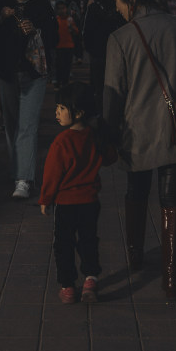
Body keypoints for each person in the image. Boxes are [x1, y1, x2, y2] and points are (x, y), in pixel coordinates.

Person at [103, 0, 176, 298]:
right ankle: (171, 277)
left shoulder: (120, 38)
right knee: (172, 199)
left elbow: (113, 94)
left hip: (137, 132)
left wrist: (109, 132)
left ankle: (135, 257)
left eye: (117, 1)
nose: (116, 8)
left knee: (136, 192)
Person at [39, 82, 117, 303]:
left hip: (66, 204)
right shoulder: (95, 136)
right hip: (90, 202)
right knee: (88, 240)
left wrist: (45, 199)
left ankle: (67, 286)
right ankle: (90, 279)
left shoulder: (61, 142)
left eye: (62, 108)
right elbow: (110, 157)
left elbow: (52, 174)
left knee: (63, 244)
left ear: (79, 112)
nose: (57, 112)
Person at [0, 0, 58, 200]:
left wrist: (36, 30)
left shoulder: (41, 5)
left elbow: (53, 36)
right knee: (11, 124)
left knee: (28, 126)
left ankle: (24, 179)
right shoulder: (1, 5)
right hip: (7, 72)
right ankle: (17, 169)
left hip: (34, 73)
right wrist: (1, 18)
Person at [54, 0, 78, 87]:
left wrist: (71, 27)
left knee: (67, 67)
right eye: (59, 9)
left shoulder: (70, 19)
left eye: (63, 8)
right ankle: (58, 83)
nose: (61, 10)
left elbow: (76, 32)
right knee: (59, 67)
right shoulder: (56, 20)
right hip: (59, 46)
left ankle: (65, 84)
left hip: (69, 46)